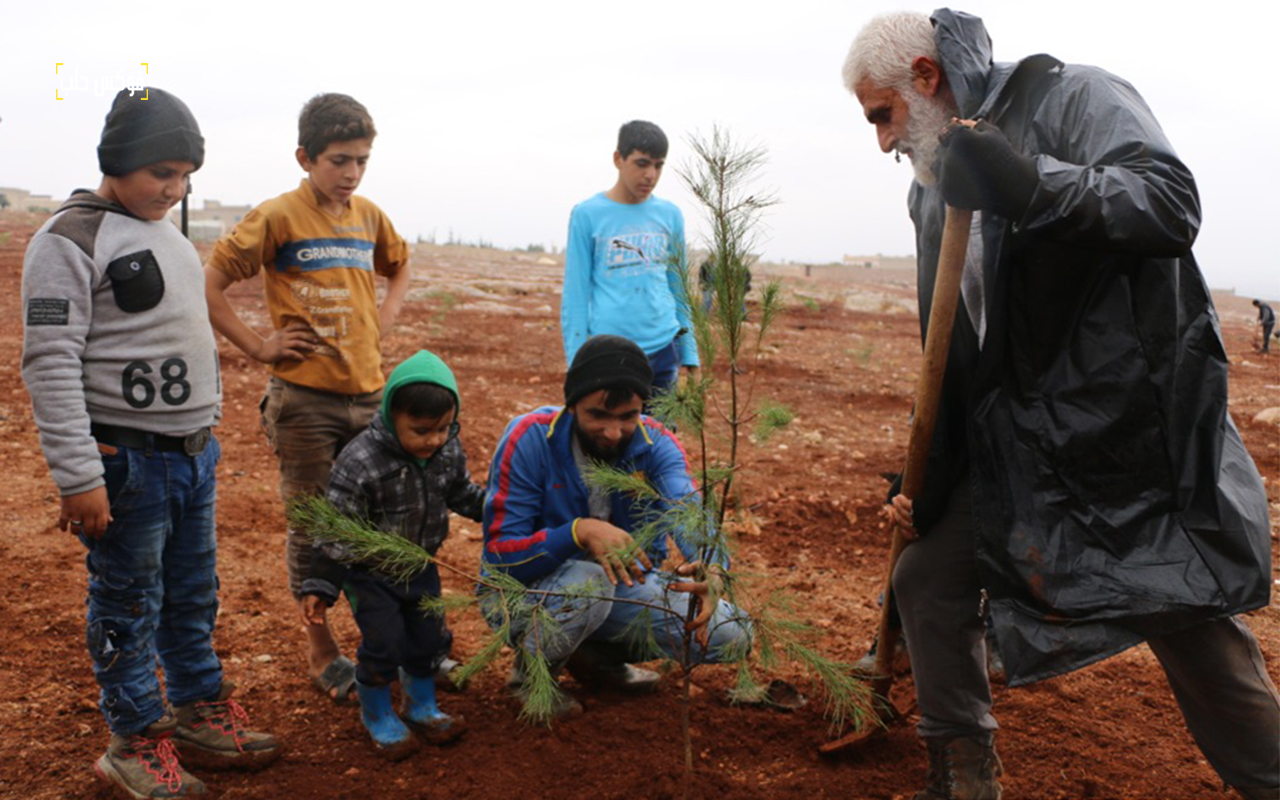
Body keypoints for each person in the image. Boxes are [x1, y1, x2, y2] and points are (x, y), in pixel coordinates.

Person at [843, 10, 1278, 800]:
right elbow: (960, 350)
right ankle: (964, 769)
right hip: (1015, 445)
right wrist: (932, 473)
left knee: (1189, 621)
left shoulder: (1077, 99)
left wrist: (1027, 182)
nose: (883, 142)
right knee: (927, 573)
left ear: (925, 76)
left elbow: (1168, 204)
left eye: (884, 115)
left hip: (1122, 444)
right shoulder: (932, 192)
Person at [21, 87, 280, 799]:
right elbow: (49, 362)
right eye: (161, 172)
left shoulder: (166, 232)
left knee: (193, 595)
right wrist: (79, 476)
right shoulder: (68, 240)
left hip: (193, 456)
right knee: (127, 604)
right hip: (125, 462)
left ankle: (198, 708)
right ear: (117, 161)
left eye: (186, 173)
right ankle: (133, 740)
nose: (176, 188)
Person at [203, 93, 416, 707]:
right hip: (304, 403)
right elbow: (212, 283)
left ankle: (393, 637)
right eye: (338, 160)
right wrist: (258, 346)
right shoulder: (278, 217)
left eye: (362, 161)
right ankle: (321, 650)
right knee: (313, 527)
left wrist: (387, 313)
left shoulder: (369, 217)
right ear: (305, 157)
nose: (351, 173)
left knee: (380, 519)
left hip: (370, 399)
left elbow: (399, 267)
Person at [479, 334, 750, 718]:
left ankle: (596, 659)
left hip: (620, 587)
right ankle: (531, 679)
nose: (612, 432)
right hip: (522, 593)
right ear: (572, 405)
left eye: (627, 416)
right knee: (590, 582)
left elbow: (687, 509)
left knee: (734, 634)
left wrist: (714, 566)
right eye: (598, 415)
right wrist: (577, 532)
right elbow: (501, 557)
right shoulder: (530, 438)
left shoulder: (657, 445)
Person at [300, 350, 481, 758]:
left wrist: (500, 510)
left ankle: (420, 705)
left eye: (443, 428)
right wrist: (321, 584)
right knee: (384, 642)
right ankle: (377, 713)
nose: (433, 439)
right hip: (371, 574)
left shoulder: (446, 449)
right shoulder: (361, 459)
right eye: (421, 430)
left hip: (421, 565)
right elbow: (336, 528)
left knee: (428, 637)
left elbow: (461, 493)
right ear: (390, 415)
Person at [560, 121, 699, 399]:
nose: (650, 175)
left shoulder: (669, 215)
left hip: (663, 350)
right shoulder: (587, 215)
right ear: (618, 159)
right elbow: (576, 294)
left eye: (658, 166)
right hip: (611, 351)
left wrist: (690, 354)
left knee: (659, 438)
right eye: (642, 163)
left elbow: (679, 288)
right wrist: (577, 362)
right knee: (613, 435)